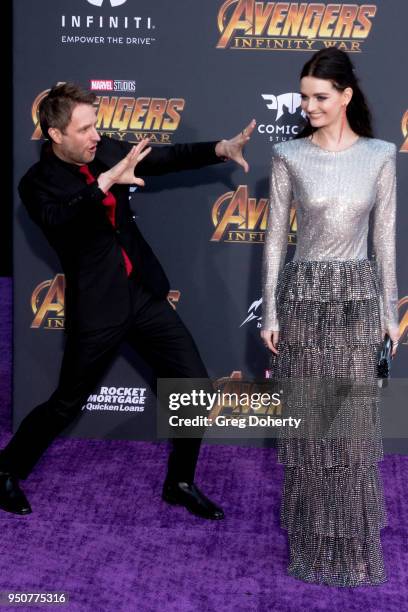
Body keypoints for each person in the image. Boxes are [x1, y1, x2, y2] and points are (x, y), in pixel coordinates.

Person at [0, 82, 256, 519]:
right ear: (56, 134)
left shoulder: (103, 150)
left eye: (95, 125)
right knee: (65, 404)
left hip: (142, 294)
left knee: (192, 386)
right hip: (99, 308)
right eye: (84, 129)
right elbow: (59, 219)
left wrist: (219, 147)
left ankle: (179, 483)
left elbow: (163, 158)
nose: (95, 135)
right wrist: (103, 183)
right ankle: (6, 469)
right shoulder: (36, 184)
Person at [261, 48, 399, 586]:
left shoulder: (381, 154)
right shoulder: (288, 154)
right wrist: (270, 310)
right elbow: (274, 239)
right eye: (304, 97)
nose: (309, 105)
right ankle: (313, 541)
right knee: (312, 428)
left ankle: (353, 544)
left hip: (358, 302)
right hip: (304, 303)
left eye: (320, 97)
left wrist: (390, 311)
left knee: (353, 432)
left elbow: (384, 239)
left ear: (345, 96)